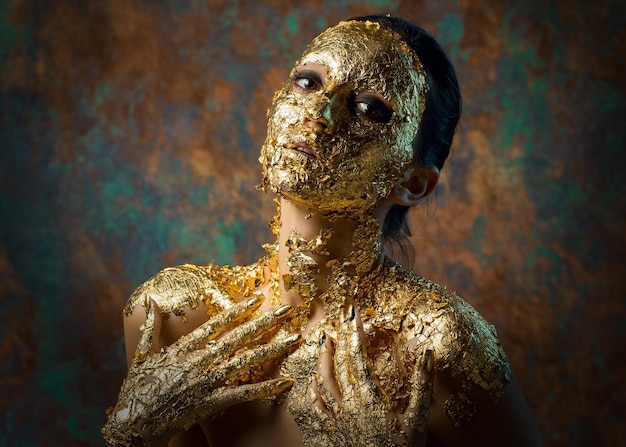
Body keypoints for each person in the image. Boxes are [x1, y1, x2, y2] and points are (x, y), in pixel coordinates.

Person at [102, 15, 543, 447]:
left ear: (412, 183)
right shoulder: (170, 316)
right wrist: (132, 435)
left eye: (369, 108)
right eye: (308, 82)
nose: (320, 113)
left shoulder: (438, 346)